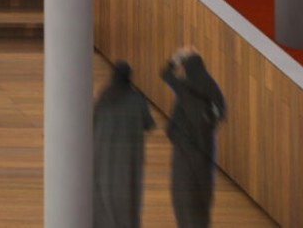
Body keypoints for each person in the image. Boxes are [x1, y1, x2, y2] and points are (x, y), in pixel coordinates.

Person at [160, 47, 225, 228]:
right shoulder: (211, 85)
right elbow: (221, 112)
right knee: (202, 195)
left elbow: (165, 74)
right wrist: (206, 119)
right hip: (205, 149)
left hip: (184, 148)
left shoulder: (184, 86)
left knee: (182, 193)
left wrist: (177, 57)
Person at [91, 59, 153, 228]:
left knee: (102, 191)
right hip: (128, 159)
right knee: (127, 196)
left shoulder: (104, 97)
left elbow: (92, 122)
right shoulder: (137, 99)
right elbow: (149, 124)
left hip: (103, 155)